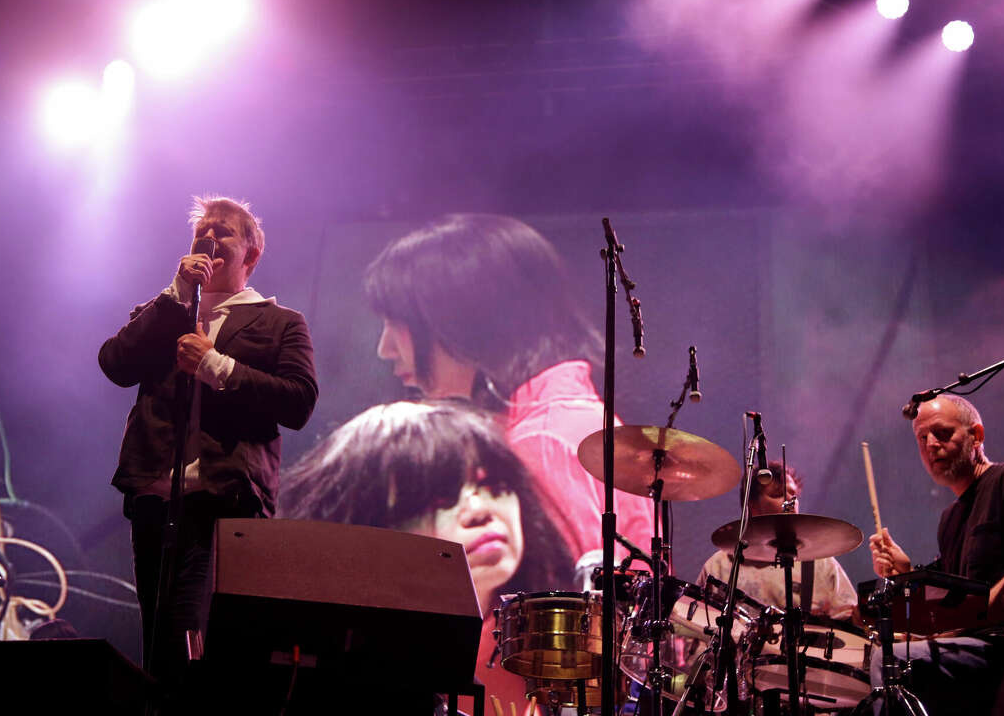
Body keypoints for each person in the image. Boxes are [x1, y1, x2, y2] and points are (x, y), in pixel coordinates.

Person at [99, 195, 318, 685]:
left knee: (191, 643)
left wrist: (215, 366)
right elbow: (114, 363)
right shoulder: (166, 310)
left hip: (223, 503)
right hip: (155, 502)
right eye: (204, 231)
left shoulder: (280, 322)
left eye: (224, 232)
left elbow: (299, 401)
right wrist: (177, 292)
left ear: (251, 255)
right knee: (156, 646)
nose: (210, 239)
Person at [363, 213, 655, 564]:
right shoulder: (571, 421)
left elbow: (546, 615)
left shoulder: (542, 443)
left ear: (462, 324)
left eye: (398, 324)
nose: (385, 349)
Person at [281, 399, 576, 715]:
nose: (480, 511)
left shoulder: (556, 646)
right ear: (371, 524)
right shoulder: (322, 669)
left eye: (493, 485)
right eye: (442, 498)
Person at [867, 394, 1004, 715]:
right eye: (922, 438)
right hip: (974, 647)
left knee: (892, 660)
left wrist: (979, 615)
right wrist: (906, 572)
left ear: (976, 435)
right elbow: (949, 600)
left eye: (942, 433)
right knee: (882, 651)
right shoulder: (950, 519)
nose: (930, 445)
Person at [696, 462, 858, 618]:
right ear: (752, 506)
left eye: (793, 494)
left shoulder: (821, 563)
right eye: (777, 494)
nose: (790, 501)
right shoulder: (719, 566)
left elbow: (852, 627)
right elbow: (694, 625)